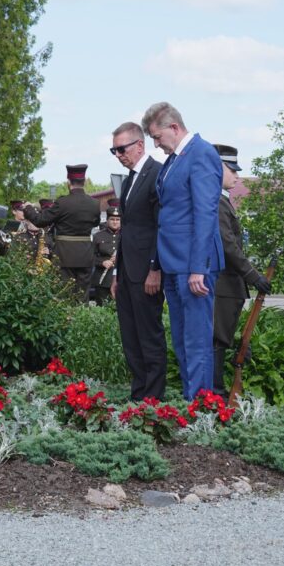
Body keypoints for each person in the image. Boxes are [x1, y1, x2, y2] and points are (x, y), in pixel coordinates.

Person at [141, 102, 224, 399]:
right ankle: (193, 402)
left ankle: (200, 409)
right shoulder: (176, 158)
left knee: (197, 340)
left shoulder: (201, 154)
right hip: (174, 263)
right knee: (182, 340)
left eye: (157, 137)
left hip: (194, 265)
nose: (156, 144)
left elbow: (205, 213)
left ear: (173, 127)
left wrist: (198, 267)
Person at [109, 121, 167, 400]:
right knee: (130, 338)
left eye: (122, 148)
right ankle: (138, 395)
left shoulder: (157, 174)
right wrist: (117, 274)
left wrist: (155, 269)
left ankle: (153, 399)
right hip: (128, 273)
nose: (118, 154)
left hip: (147, 273)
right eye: (114, 150)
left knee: (149, 336)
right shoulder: (130, 179)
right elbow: (128, 230)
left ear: (140, 145)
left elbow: (160, 227)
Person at [211, 144, 272, 396]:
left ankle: (215, 390)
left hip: (228, 284)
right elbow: (228, 246)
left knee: (220, 340)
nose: (237, 175)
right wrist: (253, 275)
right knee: (217, 340)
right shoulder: (216, 203)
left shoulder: (222, 202)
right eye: (231, 169)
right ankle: (214, 392)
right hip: (223, 283)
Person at [22, 164, 101, 300]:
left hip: (65, 255)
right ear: (85, 181)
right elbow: (96, 222)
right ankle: (82, 320)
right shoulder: (94, 203)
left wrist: (28, 208)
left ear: (68, 182)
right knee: (83, 297)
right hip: (86, 255)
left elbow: (40, 221)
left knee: (65, 296)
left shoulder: (62, 203)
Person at [90, 201, 121, 305]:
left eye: (117, 219)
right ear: (107, 220)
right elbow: (90, 256)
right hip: (102, 280)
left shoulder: (126, 236)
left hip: (121, 279)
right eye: (112, 219)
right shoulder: (98, 236)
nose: (115, 222)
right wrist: (102, 262)